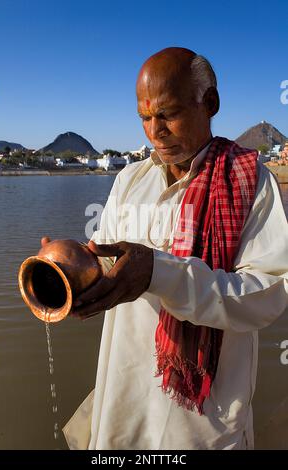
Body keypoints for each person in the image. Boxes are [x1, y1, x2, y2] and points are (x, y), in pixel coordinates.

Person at [61, 47, 288, 450]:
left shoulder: (250, 181)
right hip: (124, 397)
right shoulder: (130, 179)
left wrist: (159, 273)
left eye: (167, 114)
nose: (154, 131)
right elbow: (111, 263)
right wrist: (70, 267)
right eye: (145, 118)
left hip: (203, 416)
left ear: (210, 102)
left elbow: (269, 295)